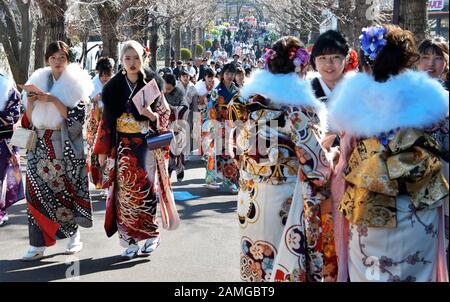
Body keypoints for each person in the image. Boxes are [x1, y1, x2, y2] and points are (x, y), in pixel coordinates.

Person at [328, 25, 449, 282]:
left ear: (367, 65)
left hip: (368, 211)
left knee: (370, 274)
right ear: (408, 63)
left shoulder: (353, 106)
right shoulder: (434, 104)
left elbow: (345, 164)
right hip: (419, 209)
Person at [228, 36, 335, 281]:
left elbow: (236, 149)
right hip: (285, 197)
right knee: (282, 259)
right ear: (301, 69)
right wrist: (333, 155)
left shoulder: (248, 103)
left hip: (250, 195)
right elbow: (317, 166)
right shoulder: (298, 110)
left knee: (255, 258)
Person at [94, 40, 171, 259]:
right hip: (123, 147)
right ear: (121, 61)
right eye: (127, 58)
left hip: (146, 147)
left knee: (147, 191)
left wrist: (149, 114)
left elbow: (164, 115)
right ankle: (129, 240)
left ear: (143, 59)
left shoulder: (153, 83)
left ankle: (150, 236)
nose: (132, 62)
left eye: (136, 58)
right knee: (124, 194)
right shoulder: (113, 88)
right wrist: (101, 151)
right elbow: (106, 122)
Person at [21, 41, 93, 260]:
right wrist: (32, 102)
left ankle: (73, 237)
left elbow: (77, 119)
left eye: (62, 57)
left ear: (68, 60)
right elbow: (30, 119)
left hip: (63, 145)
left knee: (64, 192)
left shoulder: (77, 84)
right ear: (47, 60)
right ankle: (37, 244)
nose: (57, 61)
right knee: (33, 193)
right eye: (53, 58)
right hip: (39, 143)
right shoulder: (38, 80)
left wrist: (53, 99)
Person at [203, 63, 239, 193]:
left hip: (232, 126)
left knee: (230, 154)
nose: (230, 76)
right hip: (218, 125)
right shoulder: (216, 91)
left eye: (232, 73)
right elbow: (211, 110)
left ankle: (231, 182)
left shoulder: (237, 91)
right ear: (222, 75)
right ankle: (210, 180)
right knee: (213, 153)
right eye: (227, 73)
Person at [86, 57, 114, 193]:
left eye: (107, 75)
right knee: (96, 153)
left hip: (110, 121)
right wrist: (93, 99)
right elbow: (85, 100)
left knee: (109, 153)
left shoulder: (115, 83)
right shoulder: (92, 83)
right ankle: (100, 183)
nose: (104, 78)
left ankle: (108, 184)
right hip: (96, 121)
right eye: (102, 75)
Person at [0, 73, 24, 227]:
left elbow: (14, 113)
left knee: (3, 176)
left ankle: (1, 211)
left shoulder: (7, 85)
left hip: (4, 140)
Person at [309, 30, 353, 103]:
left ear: (346, 59)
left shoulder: (359, 94)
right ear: (314, 61)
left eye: (335, 57)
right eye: (322, 58)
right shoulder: (303, 97)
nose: (328, 63)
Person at [163, 73, 189, 181]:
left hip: (177, 123)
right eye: (166, 87)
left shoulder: (179, 92)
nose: (167, 90)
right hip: (164, 123)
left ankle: (178, 167)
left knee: (176, 148)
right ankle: (168, 170)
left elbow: (185, 106)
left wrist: (173, 109)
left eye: (170, 88)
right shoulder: (160, 92)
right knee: (166, 149)